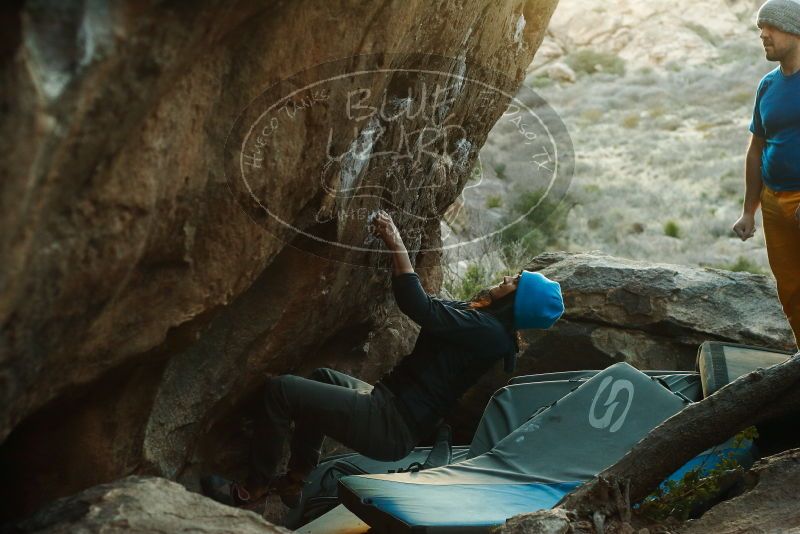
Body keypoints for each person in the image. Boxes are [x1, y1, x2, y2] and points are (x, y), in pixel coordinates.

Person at [201, 209, 565, 508]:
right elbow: (433, 305)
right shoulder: (484, 323)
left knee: (281, 391)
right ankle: (296, 479)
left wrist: (396, 243)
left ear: (518, 303)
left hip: (390, 424)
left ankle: (254, 490)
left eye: (515, 280)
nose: (506, 277)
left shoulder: (485, 332)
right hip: (387, 407)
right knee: (323, 379)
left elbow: (416, 305)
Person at [733, 0, 800, 348]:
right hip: (774, 201)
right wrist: (749, 210)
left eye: (770, 26)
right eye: (761, 27)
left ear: (795, 29)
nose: (763, 34)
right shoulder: (768, 85)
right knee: (789, 287)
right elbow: (756, 148)